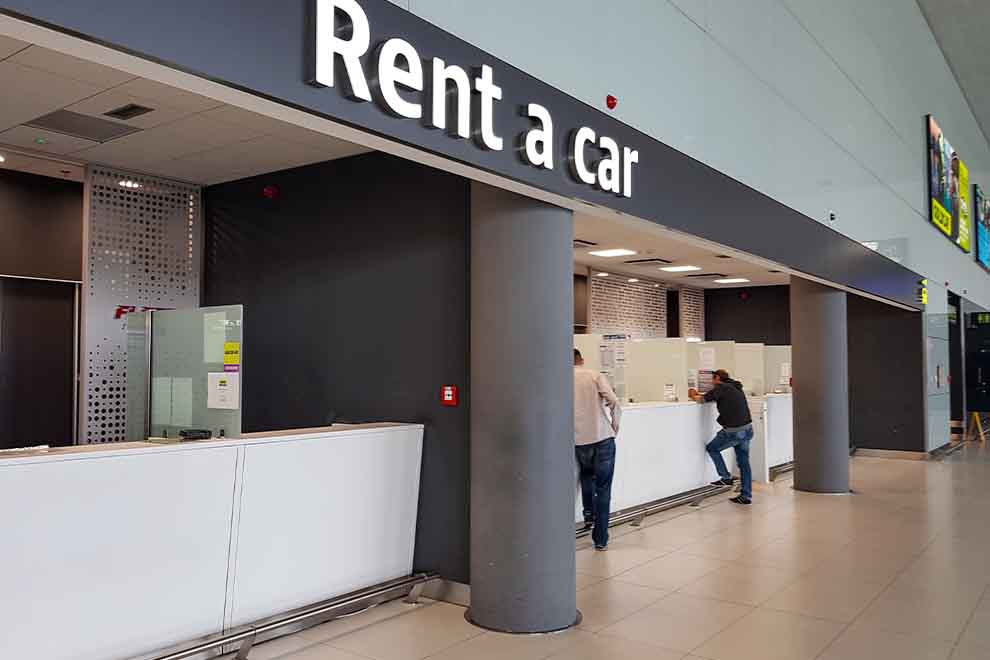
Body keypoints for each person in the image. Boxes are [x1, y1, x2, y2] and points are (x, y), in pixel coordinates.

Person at [573, 348, 621, 550]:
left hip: (576, 440)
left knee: (585, 476)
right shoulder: (593, 375)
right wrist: (614, 426)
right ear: (581, 360)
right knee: (603, 488)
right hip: (602, 438)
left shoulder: (556, 378)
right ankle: (600, 539)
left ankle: (588, 516)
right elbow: (613, 400)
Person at [689, 369, 753, 505]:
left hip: (733, 431)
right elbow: (713, 396)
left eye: (712, 379)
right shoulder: (735, 386)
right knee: (744, 463)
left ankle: (726, 477)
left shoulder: (721, 388)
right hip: (747, 429)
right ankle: (746, 495)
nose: (712, 382)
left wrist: (693, 393)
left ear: (717, 378)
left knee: (712, 448)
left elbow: (701, 399)